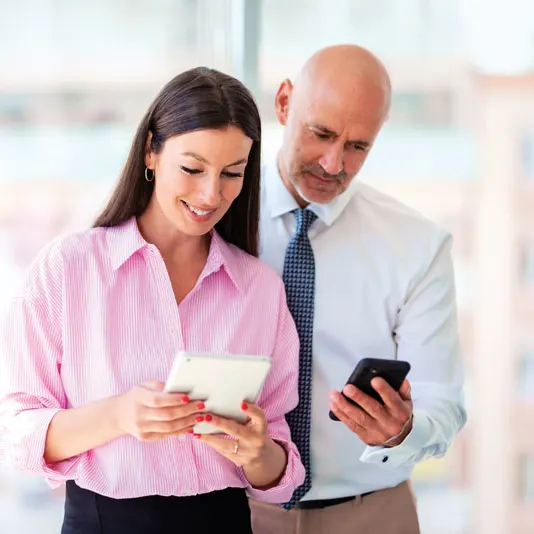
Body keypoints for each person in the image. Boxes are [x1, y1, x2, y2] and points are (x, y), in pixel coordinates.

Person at [0, 66, 305, 534]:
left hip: (222, 521)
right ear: (150, 152)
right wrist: (119, 415)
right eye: (192, 168)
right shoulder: (68, 268)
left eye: (232, 173)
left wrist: (260, 451)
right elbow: (18, 433)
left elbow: (279, 468)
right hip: (103, 522)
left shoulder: (260, 289)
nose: (211, 193)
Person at [251, 45, 467, 534]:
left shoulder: (418, 247)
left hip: (370, 513)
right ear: (284, 103)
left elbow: (443, 402)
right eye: (321, 134)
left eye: (358, 146)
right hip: (232, 508)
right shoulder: (214, 218)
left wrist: (404, 432)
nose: (333, 164)